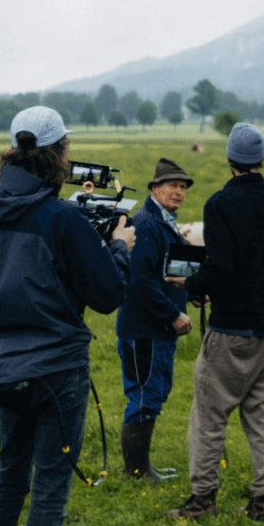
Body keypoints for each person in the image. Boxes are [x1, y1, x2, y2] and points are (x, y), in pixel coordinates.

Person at [0, 106, 136, 526]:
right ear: (61, 153)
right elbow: (108, 295)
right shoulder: (64, 217)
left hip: (1, 366)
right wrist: (117, 247)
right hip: (57, 370)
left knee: (8, 480)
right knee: (50, 488)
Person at [166, 123, 264, 522]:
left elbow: (221, 265)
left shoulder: (220, 203)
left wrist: (191, 284)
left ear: (230, 160)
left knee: (209, 415)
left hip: (231, 328)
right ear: (261, 158)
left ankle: (203, 498)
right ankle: (263, 498)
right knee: (261, 411)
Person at [116, 158, 195, 481]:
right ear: (154, 189)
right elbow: (140, 281)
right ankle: (136, 471)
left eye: (183, 187)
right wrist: (173, 313)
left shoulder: (166, 221)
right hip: (145, 329)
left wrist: (194, 291)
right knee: (145, 395)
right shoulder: (148, 223)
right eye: (172, 186)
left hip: (154, 329)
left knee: (153, 392)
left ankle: (142, 467)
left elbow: (170, 272)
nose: (179, 192)